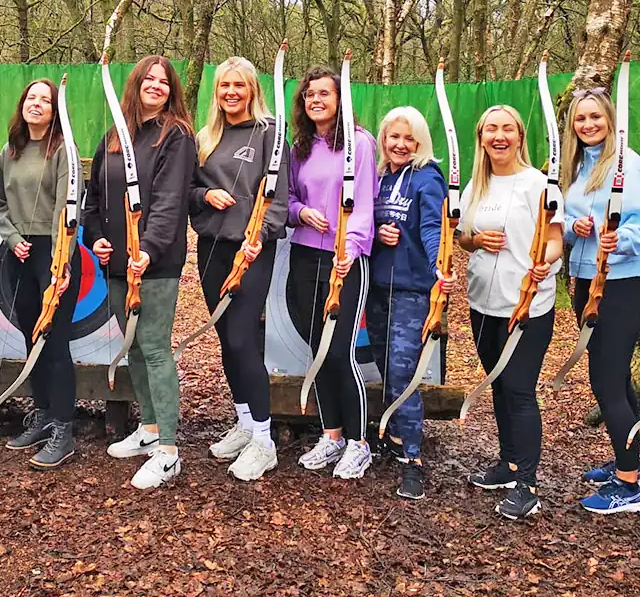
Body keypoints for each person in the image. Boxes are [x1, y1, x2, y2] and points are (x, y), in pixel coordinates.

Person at [83, 55, 196, 490]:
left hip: (155, 264)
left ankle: (168, 449)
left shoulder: (177, 136)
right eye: (149, 79)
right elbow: (93, 199)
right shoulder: (115, 135)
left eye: (164, 81)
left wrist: (147, 248)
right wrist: (95, 238)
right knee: (132, 346)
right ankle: (149, 427)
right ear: (135, 84)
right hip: (114, 262)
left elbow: (170, 202)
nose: (156, 86)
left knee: (153, 346)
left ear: (172, 90)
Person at [458, 105, 563, 521]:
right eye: (490, 129)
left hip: (528, 305)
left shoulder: (539, 184)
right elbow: (463, 239)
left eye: (507, 129)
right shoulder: (476, 185)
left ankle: (528, 485)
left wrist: (545, 263)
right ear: (481, 137)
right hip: (483, 304)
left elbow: (555, 239)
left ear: (520, 136)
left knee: (519, 389)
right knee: (499, 387)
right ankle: (508, 465)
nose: (499, 136)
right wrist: (475, 239)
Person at [188, 57, 288, 481]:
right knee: (227, 340)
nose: (231, 93)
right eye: (224, 86)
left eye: (239, 86)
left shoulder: (269, 134)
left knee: (245, 339)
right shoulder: (206, 136)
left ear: (252, 90)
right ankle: (246, 423)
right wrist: (206, 196)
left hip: (251, 250)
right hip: (212, 247)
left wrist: (258, 236)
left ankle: (264, 441)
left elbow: (278, 198)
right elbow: (188, 189)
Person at [287, 67, 378, 480]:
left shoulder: (359, 144)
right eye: (309, 95)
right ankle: (333, 435)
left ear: (341, 100)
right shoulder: (299, 147)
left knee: (340, 352)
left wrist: (351, 248)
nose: (316, 100)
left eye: (325, 93)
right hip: (305, 256)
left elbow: (362, 205)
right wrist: (300, 212)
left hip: (345, 262)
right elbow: (286, 198)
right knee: (318, 352)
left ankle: (360, 443)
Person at [0, 78, 81, 469]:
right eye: (32, 98)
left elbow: (67, 208)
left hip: (54, 251)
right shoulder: (10, 151)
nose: (37, 104)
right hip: (20, 253)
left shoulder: (63, 149)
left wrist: (61, 260)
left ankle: (64, 427)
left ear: (55, 110)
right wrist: (11, 238)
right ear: (22, 104)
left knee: (55, 341)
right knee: (33, 336)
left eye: (46, 100)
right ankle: (43, 415)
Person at [367, 107, 454, 501]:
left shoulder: (427, 177)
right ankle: (397, 440)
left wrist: (440, 266)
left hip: (412, 291)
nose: (400, 145)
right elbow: (360, 224)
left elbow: (434, 227)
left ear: (420, 143)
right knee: (386, 367)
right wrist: (374, 236)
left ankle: (414, 462)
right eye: (393, 137)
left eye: (408, 139)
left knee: (403, 373)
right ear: (384, 139)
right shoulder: (379, 177)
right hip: (377, 288)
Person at [561, 87, 640, 514]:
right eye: (580, 119)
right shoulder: (576, 169)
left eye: (596, 117)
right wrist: (578, 228)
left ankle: (629, 484)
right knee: (618, 381)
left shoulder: (631, 167)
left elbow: (638, 227)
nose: (588, 125)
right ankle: (635, 460)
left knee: (606, 381)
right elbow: (569, 219)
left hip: (623, 284)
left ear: (610, 121)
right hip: (585, 282)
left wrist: (620, 239)